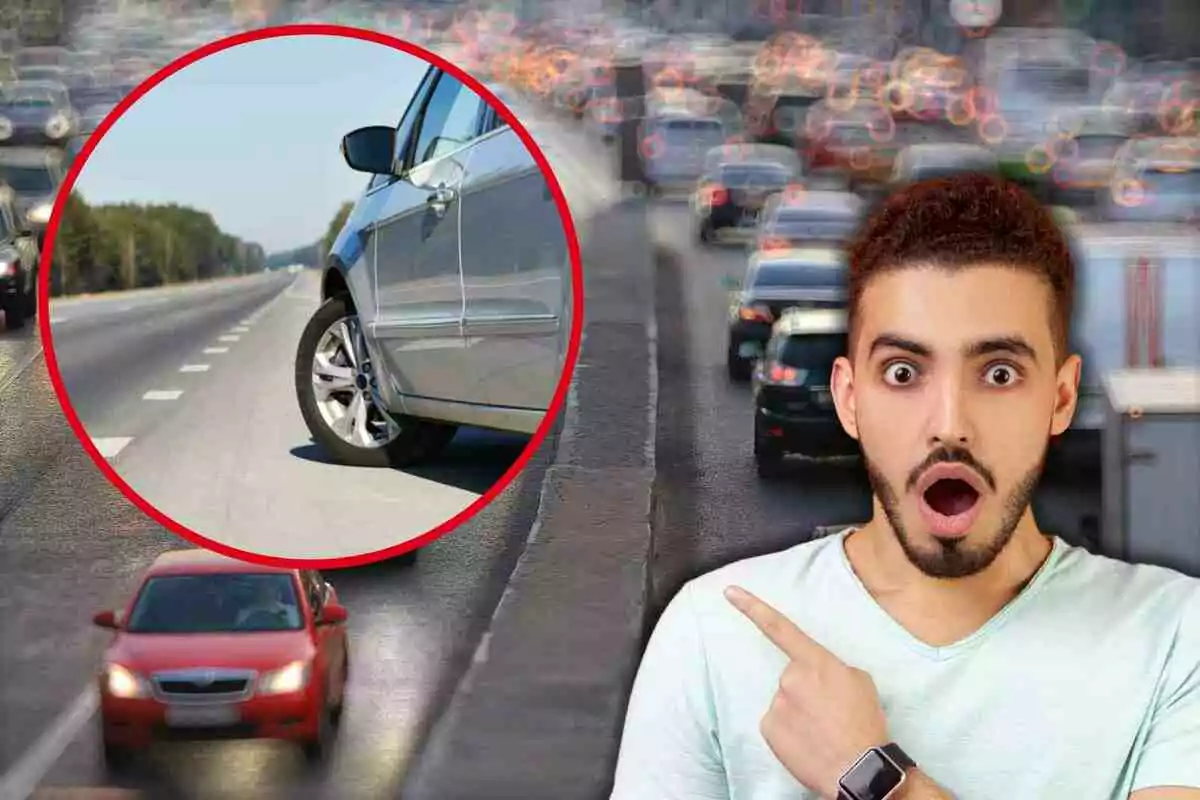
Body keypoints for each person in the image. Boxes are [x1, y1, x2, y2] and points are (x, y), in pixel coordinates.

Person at [610, 173, 1200, 800]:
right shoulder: (712, 634)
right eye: (902, 372)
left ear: (1059, 398)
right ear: (849, 398)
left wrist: (872, 776)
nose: (949, 426)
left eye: (998, 373)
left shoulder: (1175, 637)